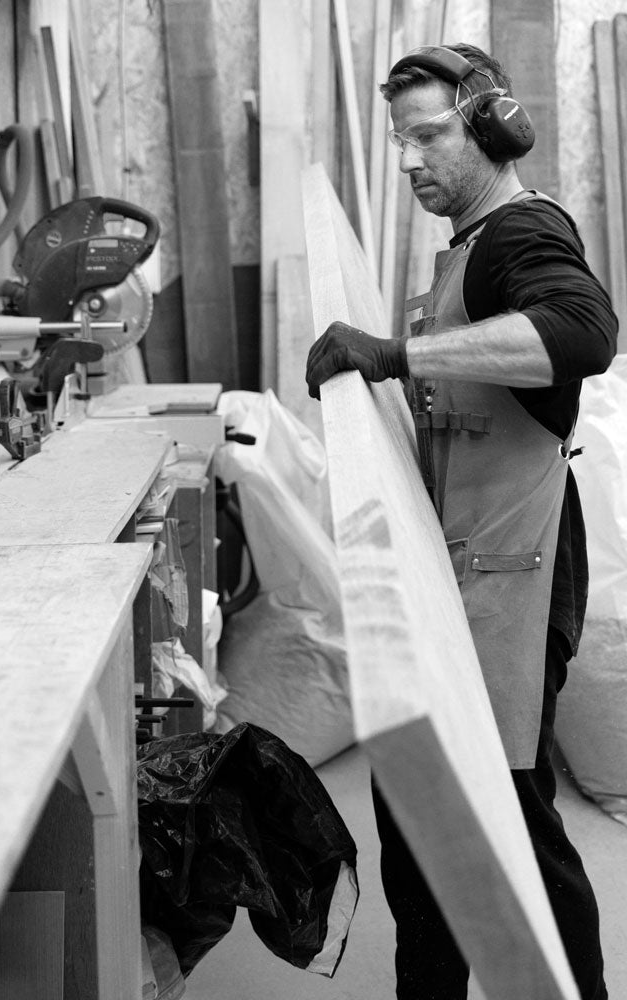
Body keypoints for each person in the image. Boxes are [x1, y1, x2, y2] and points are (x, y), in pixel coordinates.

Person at [305, 41, 616, 1000]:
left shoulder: (522, 235)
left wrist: (397, 354)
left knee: (507, 818)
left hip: (512, 579)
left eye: (430, 135)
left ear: (490, 128)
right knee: (426, 820)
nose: (408, 161)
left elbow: (584, 332)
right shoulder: (469, 249)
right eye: (400, 139)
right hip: (467, 573)